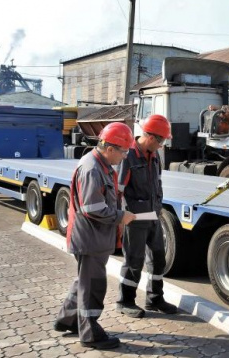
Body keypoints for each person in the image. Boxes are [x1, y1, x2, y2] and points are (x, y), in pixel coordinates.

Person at [54, 122, 136, 350]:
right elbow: (92, 207)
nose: (125, 155)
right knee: (92, 286)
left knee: (84, 281)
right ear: (111, 148)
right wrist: (121, 216)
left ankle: (67, 319)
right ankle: (90, 334)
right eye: (124, 151)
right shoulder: (92, 168)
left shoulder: (101, 164)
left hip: (93, 238)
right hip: (90, 240)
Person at [116, 114, 178, 318]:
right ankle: (125, 301)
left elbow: (157, 185)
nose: (161, 146)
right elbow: (119, 190)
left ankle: (155, 299)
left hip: (153, 216)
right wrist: (120, 217)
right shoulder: (128, 157)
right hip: (134, 219)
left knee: (159, 259)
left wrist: (158, 207)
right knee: (134, 261)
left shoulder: (155, 157)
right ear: (151, 138)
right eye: (161, 141)